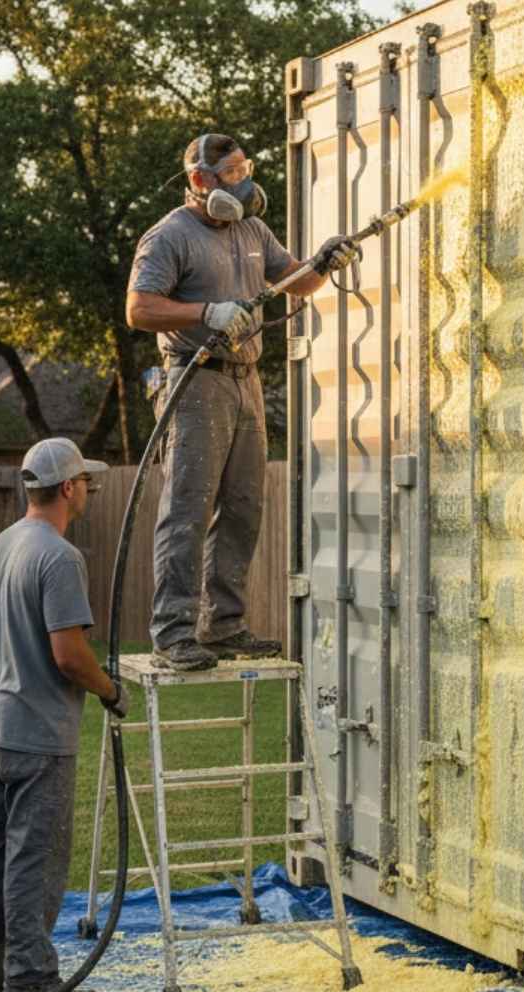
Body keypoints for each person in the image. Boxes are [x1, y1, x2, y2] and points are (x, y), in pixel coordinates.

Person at [126, 131, 360, 671]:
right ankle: (174, 631)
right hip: (194, 380)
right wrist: (205, 312)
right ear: (200, 181)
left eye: (245, 168)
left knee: (243, 508)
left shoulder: (252, 229)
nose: (244, 181)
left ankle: (223, 626)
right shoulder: (169, 237)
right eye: (232, 173)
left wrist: (324, 262)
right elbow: (139, 310)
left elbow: (294, 283)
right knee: (188, 508)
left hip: (246, 378)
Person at [0, 437, 131, 992]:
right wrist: (110, 691)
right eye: (85, 481)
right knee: (35, 854)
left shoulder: (1, 545)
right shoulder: (59, 557)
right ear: (67, 488)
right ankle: (31, 979)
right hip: (36, 732)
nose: (89, 490)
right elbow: (68, 655)